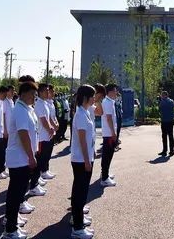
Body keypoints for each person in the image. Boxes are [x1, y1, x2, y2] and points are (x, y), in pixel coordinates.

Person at [1, 81, 39, 239]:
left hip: (23, 157)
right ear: (23, 94)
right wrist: (31, 156)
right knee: (15, 194)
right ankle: (10, 229)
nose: (34, 97)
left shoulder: (26, 108)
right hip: (19, 158)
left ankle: (13, 221)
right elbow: (23, 135)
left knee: (18, 193)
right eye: (32, 94)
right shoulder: (20, 110)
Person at [68, 85, 96, 239]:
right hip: (81, 159)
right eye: (92, 96)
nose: (94, 99)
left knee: (81, 191)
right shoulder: (80, 114)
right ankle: (77, 228)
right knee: (79, 192)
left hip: (83, 158)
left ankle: (79, 219)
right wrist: (87, 160)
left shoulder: (84, 112)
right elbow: (82, 140)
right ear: (85, 97)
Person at [98, 84, 119, 187]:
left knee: (108, 155)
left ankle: (105, 173)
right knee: (107, 155)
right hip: (109, 134)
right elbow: (109, 118)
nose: (116, 93)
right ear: (109, 92)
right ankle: (104, 178)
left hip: (109, 133)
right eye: (115, 91)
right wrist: (113, 133)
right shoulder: (108, 102)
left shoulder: (109, 102)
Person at [157, 90, 174, 157]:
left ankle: (165, 151)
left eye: (162, 95)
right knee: (170, 136)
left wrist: (160, 101)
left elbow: (160, 109)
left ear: (165, 95)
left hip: (165, 121)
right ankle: (171, 151)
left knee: (164, 136)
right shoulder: (171, 101)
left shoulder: (163, 102)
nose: (161, 96)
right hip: (170, 121)